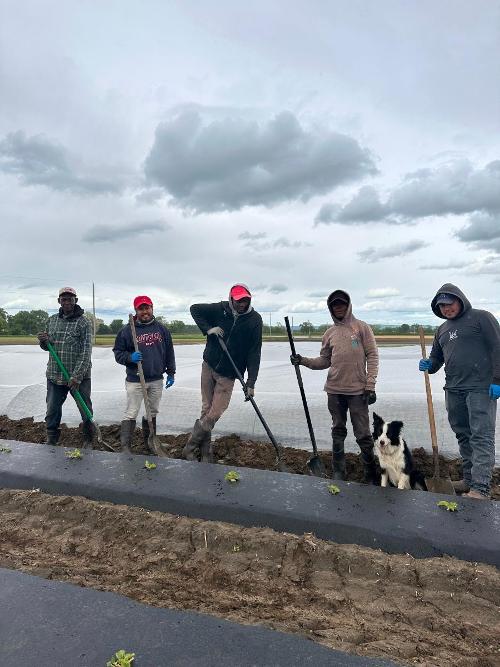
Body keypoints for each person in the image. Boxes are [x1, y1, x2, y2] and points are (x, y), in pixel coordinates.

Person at [419, 284, 500, 500]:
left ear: (460, 300)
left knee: (481, 436)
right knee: (463, 435)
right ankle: (469, 480)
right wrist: (429, 364)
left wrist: (498, 379)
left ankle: (481, 488)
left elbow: (498, 347)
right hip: (453, 389)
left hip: (480, 388)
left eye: (450, 303)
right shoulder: (442, 330)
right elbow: (437, 359)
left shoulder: (482, 318)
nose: (446, 309)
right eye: (442, 306)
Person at [290, 290, 379, 483]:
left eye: (342, 304)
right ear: (330, 308)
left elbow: (372, 356)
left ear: (348, 306)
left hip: (358, 392)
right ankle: (339, 471)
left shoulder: (362, 328)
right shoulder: (329, 333)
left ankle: (371, 473)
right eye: (335, 305)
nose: (339, 307)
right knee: (338, 430)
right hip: (334, 391)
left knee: (363, 434)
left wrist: (370, 385)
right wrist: (303, 360)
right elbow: (324, 360)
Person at [183, 284, 263, 462]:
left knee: (216, 411)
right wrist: (208, 329)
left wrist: (251, 382)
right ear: (231, 299)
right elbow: (195, 309)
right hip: (209, 365)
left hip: (229, 373)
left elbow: (254, 352)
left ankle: (190, 446)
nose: (242, 304)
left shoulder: (255, 320)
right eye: (238, 300)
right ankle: (205, 452)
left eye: (245, 300)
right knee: (206, 408)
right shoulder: (220, 309)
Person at [113, 295, 176, 453]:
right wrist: (130, 357)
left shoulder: (162, 329)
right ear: (136, 310)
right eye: (141, 309)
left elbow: (169, 352)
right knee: (131, 412)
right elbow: (118, 353)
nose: (144, 311)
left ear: (152, 308)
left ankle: (150, 443)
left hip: (156, 379)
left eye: (147, 308)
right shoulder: (127, 331)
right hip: (135, 380)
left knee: (152, 412)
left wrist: (171, 372)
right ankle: (125, 447)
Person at [37, 287, 94, 447]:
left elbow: (86, 352)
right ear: (59, 301)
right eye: (64, 299)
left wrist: (76, 376)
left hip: (80, 377)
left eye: (70, 299)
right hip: (55, 375)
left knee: (85, 409)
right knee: (52, 409)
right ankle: (52, 439)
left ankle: (88, 439)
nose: (67, 302)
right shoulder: (52, 320)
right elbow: (47, 348)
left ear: (76, 300)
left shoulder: (84, 322)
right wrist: (43, 341)